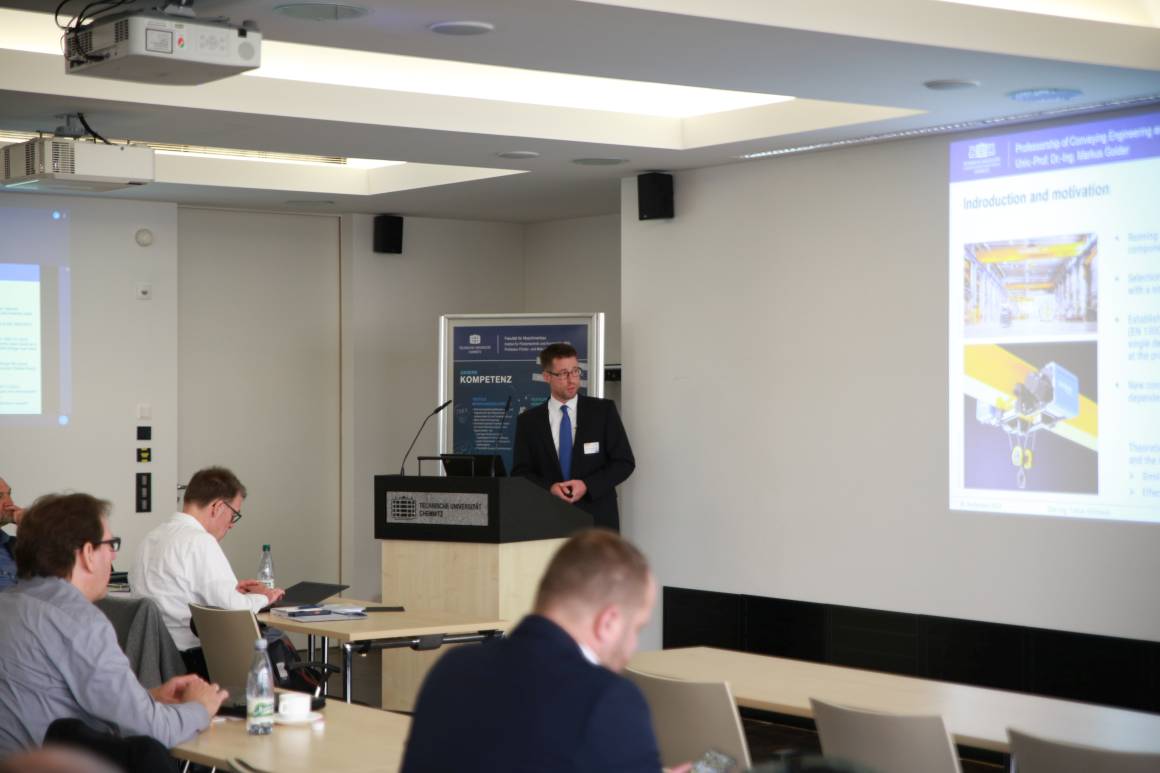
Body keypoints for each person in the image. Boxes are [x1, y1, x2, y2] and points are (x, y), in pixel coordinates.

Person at [401, 529, 678, 773]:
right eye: (636, 628)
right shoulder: (607, 700)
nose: (633, 646)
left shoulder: (453, 667)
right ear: (609, 623)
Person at [0, 493, 226, 756]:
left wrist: (147, 698)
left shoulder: (9, 604)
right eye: (110, 544)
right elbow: (153, 731)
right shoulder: (80, 622)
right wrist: (200, 707)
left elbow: (52, 699)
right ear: (88, 554)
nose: (113, 555)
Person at [130, 466, 284, 675]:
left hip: (153, 661)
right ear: (218, 507)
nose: (231, 524)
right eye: (234, 514)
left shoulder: (151, 537)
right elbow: (234, 611)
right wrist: (266, 596)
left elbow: (179, 591)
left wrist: (233, 591)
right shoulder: (200, 541)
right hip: (192, 662)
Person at [512, 342, 636, 531]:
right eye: (563, 374)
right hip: (548, 519)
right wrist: (550, 488)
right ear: (547, 376)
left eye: (575, 371)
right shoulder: (529, 421)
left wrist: (587, 485)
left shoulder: (603, 412)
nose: (572, 380)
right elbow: (521, 473)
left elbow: (624, 462)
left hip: (597, 519)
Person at [0, 477, 25, 590]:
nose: (10, 503)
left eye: (9, 494)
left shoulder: (15, 546)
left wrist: (33, 526)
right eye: (0, 496)